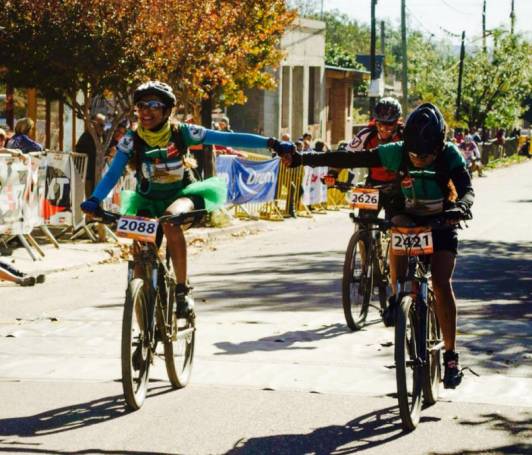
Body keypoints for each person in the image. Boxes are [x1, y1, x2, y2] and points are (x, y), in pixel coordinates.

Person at [280, 103, 474, 389]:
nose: (419, 160)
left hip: (442, 218)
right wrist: (301, 159)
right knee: (397, 230)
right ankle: (398, 296)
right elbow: (349, 159)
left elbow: (467, 188)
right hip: (406, 213)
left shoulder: (450, 155)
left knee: (443, 283)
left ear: (439, 145)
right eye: (414, 154)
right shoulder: (395, 150)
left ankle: (450, 355)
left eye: (427, 155)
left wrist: (462, 207)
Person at [80, 81, 286, 317]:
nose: (146, 111)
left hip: (184, 198)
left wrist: (271, 143)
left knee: (169, 221)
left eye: (154, 105)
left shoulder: (183, 133)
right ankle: (142, 334)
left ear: (167, 111)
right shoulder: (131, 139)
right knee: (140, 261)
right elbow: (113, 173)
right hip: (147, 201)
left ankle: (181, 290)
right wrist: (95, 199)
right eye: (141, 105)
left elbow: (227, 139)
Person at [344, 97, 404, 217]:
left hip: (399, 185)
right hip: (373, 184)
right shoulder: (367, 134)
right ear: (375, 121)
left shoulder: (405, 134)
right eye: (380, 124)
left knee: (398, 224)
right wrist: (333, 173)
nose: (384, 129)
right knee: (363, 222)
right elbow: (346, 156)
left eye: (390, 124)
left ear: (397, 121)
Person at [76, 113, 106, 197]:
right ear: (93, 124)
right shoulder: (86, 138)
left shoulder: (99, 137)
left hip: (95, 175)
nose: (103, 128)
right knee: (90, 201)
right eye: (101, 125)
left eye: (104, 126)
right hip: (88, 177)